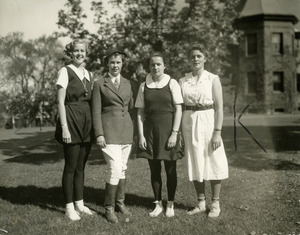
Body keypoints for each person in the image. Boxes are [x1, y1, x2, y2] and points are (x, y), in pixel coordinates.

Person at [179, 44, 228, 218]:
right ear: (188, 59)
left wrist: (217, 132)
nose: (195, 59)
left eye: (199, 56)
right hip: (189, 122)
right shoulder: (183, 81)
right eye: (192, 56)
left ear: (205, 58)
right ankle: (201, 202)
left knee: (213, 161)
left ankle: (215, 203)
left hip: (208, 121)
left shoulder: (212, 79)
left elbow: (220, 108)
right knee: (195, 161)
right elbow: (178, 106)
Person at [135, 52, 183, 218]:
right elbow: (140, 113)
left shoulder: (172, 83)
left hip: (169, 130)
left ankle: (170, 203)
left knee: (170, 169)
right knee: (154, 169)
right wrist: (140, 136)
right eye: (152, 64)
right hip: (150, 132)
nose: (155, 67)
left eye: (158, 64)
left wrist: (174, 134)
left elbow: (178, 110)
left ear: (164, 66)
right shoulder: (143, 86)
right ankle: (158, 204)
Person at [92, 48, 134, 223]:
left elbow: (129, 106)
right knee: (115, 168)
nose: (115, 65)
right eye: (112, 62)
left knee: (122, 168)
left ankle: (120, 203)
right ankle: (108, 208)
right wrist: (99, 133)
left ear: (122, 64)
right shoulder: (100, 83)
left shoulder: (127, 83)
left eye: (118, 62)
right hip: (109, 132)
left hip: (126, 131)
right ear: (107, 64)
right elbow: (95, 111)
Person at [55, 38, 94, 221]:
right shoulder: (65, 71)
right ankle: (69, 207)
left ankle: (80, 203)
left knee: (81, 167)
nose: (80, 54)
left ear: (86, 53)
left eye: (83, 51)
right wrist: (64, 127)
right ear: (71, 52)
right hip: (71, 120)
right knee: (70, 167)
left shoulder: (90, 74)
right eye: (76, 51)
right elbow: (60, 101)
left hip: (86, 122)